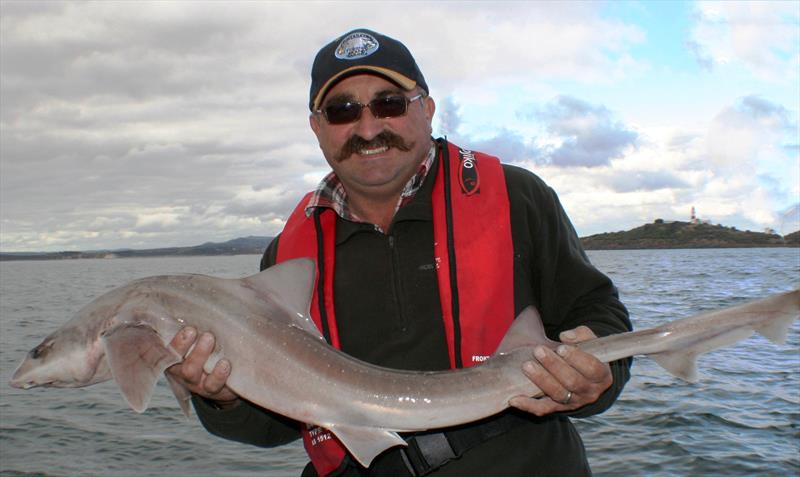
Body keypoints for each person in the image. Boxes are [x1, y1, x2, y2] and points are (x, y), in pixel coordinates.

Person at [166, 28, 632, 477]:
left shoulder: (517, 197)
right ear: (317, 127)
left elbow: (598, 313)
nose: (368, 128)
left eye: (389, 104)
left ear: (427, 109)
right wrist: (223, 398)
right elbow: (272, 425)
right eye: (342, 110)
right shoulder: (287, 258)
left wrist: (598, 378)